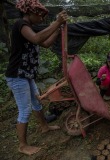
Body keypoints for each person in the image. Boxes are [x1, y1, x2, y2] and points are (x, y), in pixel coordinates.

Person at [5, 0, 68, 156]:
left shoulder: (29, 28)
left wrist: (57, 30)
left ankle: (44, 126)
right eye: (40, 16)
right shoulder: (21, 25)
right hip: (17, 75)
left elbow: (45, 43)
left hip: (26, 75)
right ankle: (22, 145)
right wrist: (56, 22)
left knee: (36, 101)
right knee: (25, 110)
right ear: (30, 13)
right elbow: (37, 39)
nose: (41, 19)